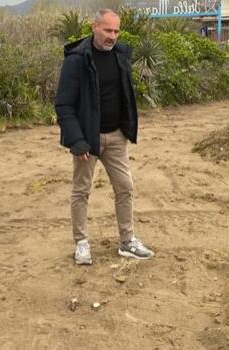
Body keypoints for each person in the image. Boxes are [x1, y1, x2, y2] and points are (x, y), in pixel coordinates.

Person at [54, 9, 154, 264]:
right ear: (94, 27)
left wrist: (127, 127)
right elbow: (63, 105)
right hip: (87, 140)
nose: (112, 36)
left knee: (125, 187)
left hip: (116, 137)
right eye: (108, 30)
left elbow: (124, 95)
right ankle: (82, 243)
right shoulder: (77, 59)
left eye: (116, 31)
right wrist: (76, 140)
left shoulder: (121, 55)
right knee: (81, 191)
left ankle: (127, 241)